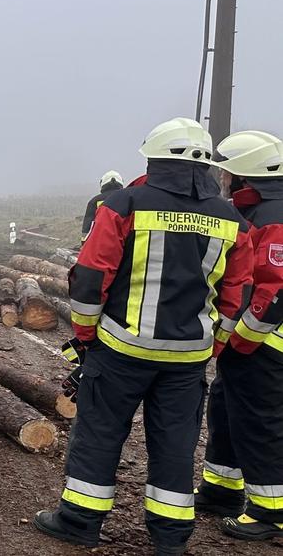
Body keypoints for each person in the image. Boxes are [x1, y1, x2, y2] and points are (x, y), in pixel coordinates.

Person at [34, 117, 254, 556]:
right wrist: (216, 343)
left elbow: (92, 275)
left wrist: (85, 332)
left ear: (153, 159)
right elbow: (238, 291)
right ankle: (170, 538)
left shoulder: (124, 203)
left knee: (99, 432)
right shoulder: (232, 219)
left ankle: (79, 521)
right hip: (189, 356)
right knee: (175, 443)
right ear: (205, 166)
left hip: (120, 349)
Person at [194, 130, 283, 541]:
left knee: (259, 422)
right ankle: (221, 489)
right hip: (248, 343)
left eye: (228, 173)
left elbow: (274, 291)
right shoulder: (258, 211)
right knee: (227, 410)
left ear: (247, 177)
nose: (223, 180)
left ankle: (271, 511)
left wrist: (242, 339)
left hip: (265, 345)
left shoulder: (274, 217)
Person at [82, 171, 125, 243]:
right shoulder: (127, 199)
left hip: (101, 243)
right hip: (123, 243)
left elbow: (88, 228)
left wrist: (84, 244)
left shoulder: (95, 201)